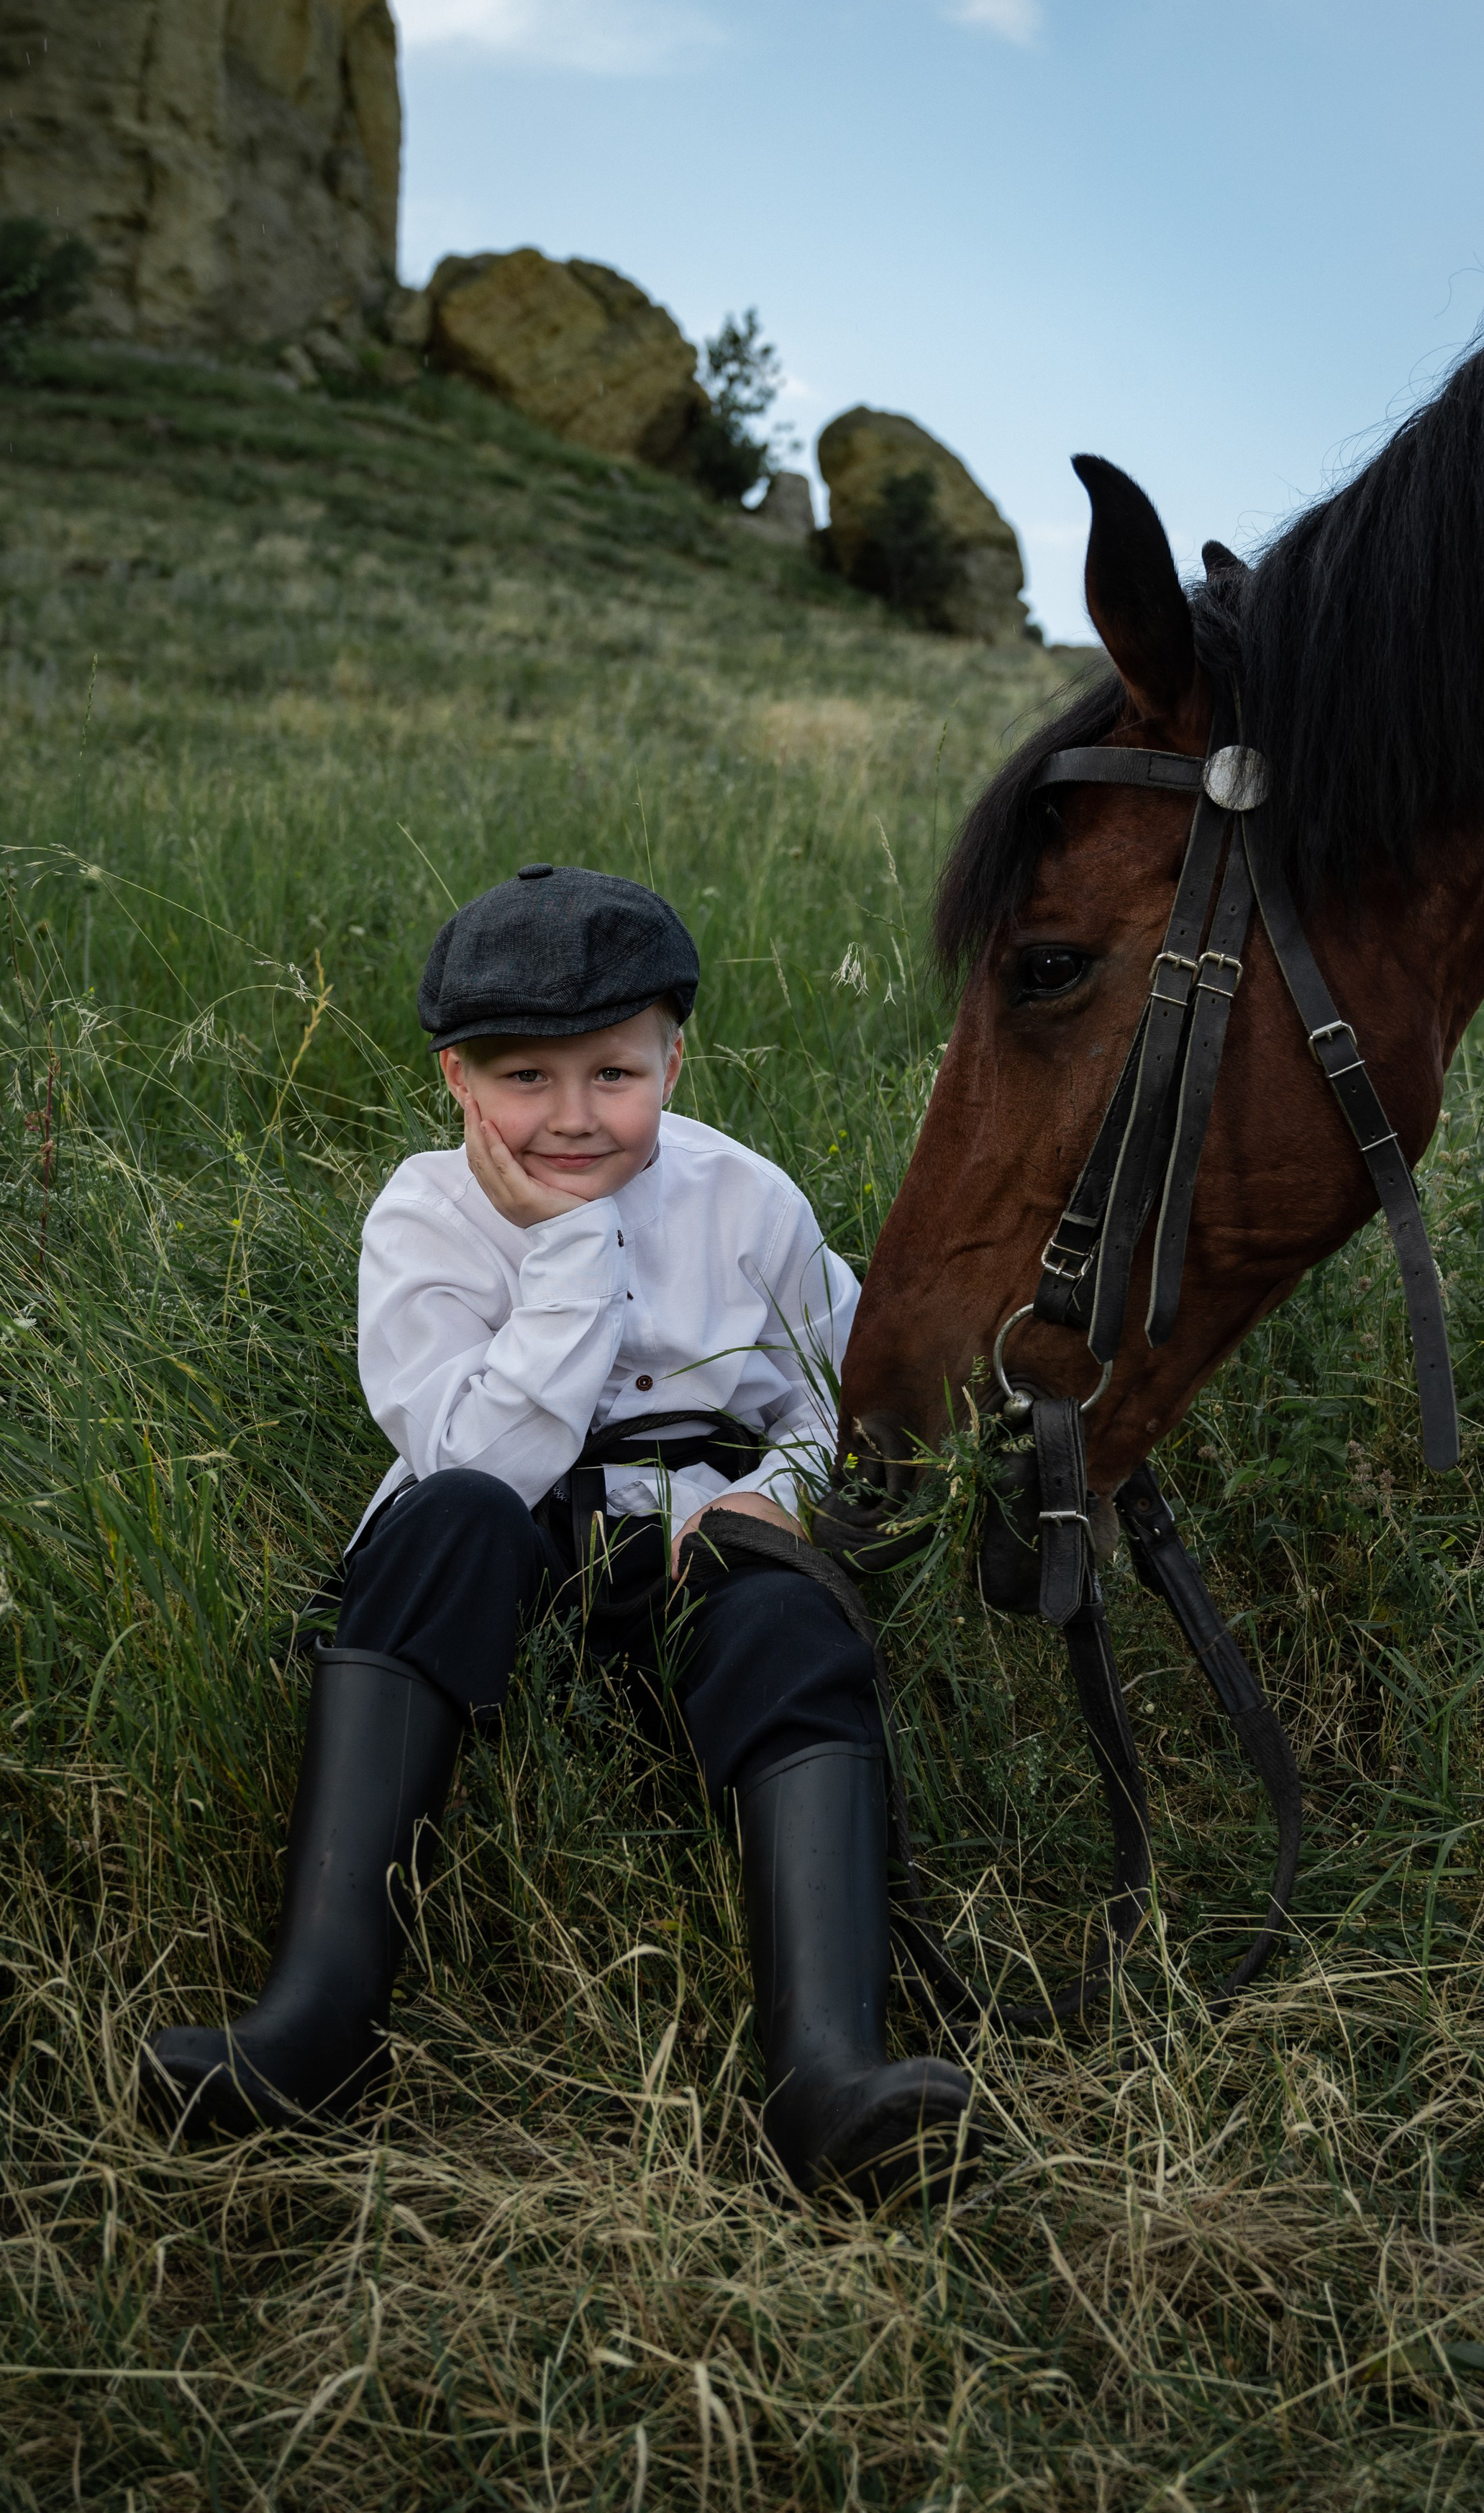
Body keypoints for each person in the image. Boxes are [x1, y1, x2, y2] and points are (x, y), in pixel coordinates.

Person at [140, 863, 976, 2201]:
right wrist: (570, 1250)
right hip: (498, 1540)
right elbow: (475, 1451)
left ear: (675, 1061)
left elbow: (842, 1390)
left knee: (788, 1605)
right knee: (447, 1518)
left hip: (689, 1528)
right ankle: (317, 2022)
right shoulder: (426, 1213)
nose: (574, 1118)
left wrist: (787, 1488)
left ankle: (828, 2069)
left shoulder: (748, 1202)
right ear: (457, 1083)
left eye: (615, 1075)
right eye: (525, 1079)